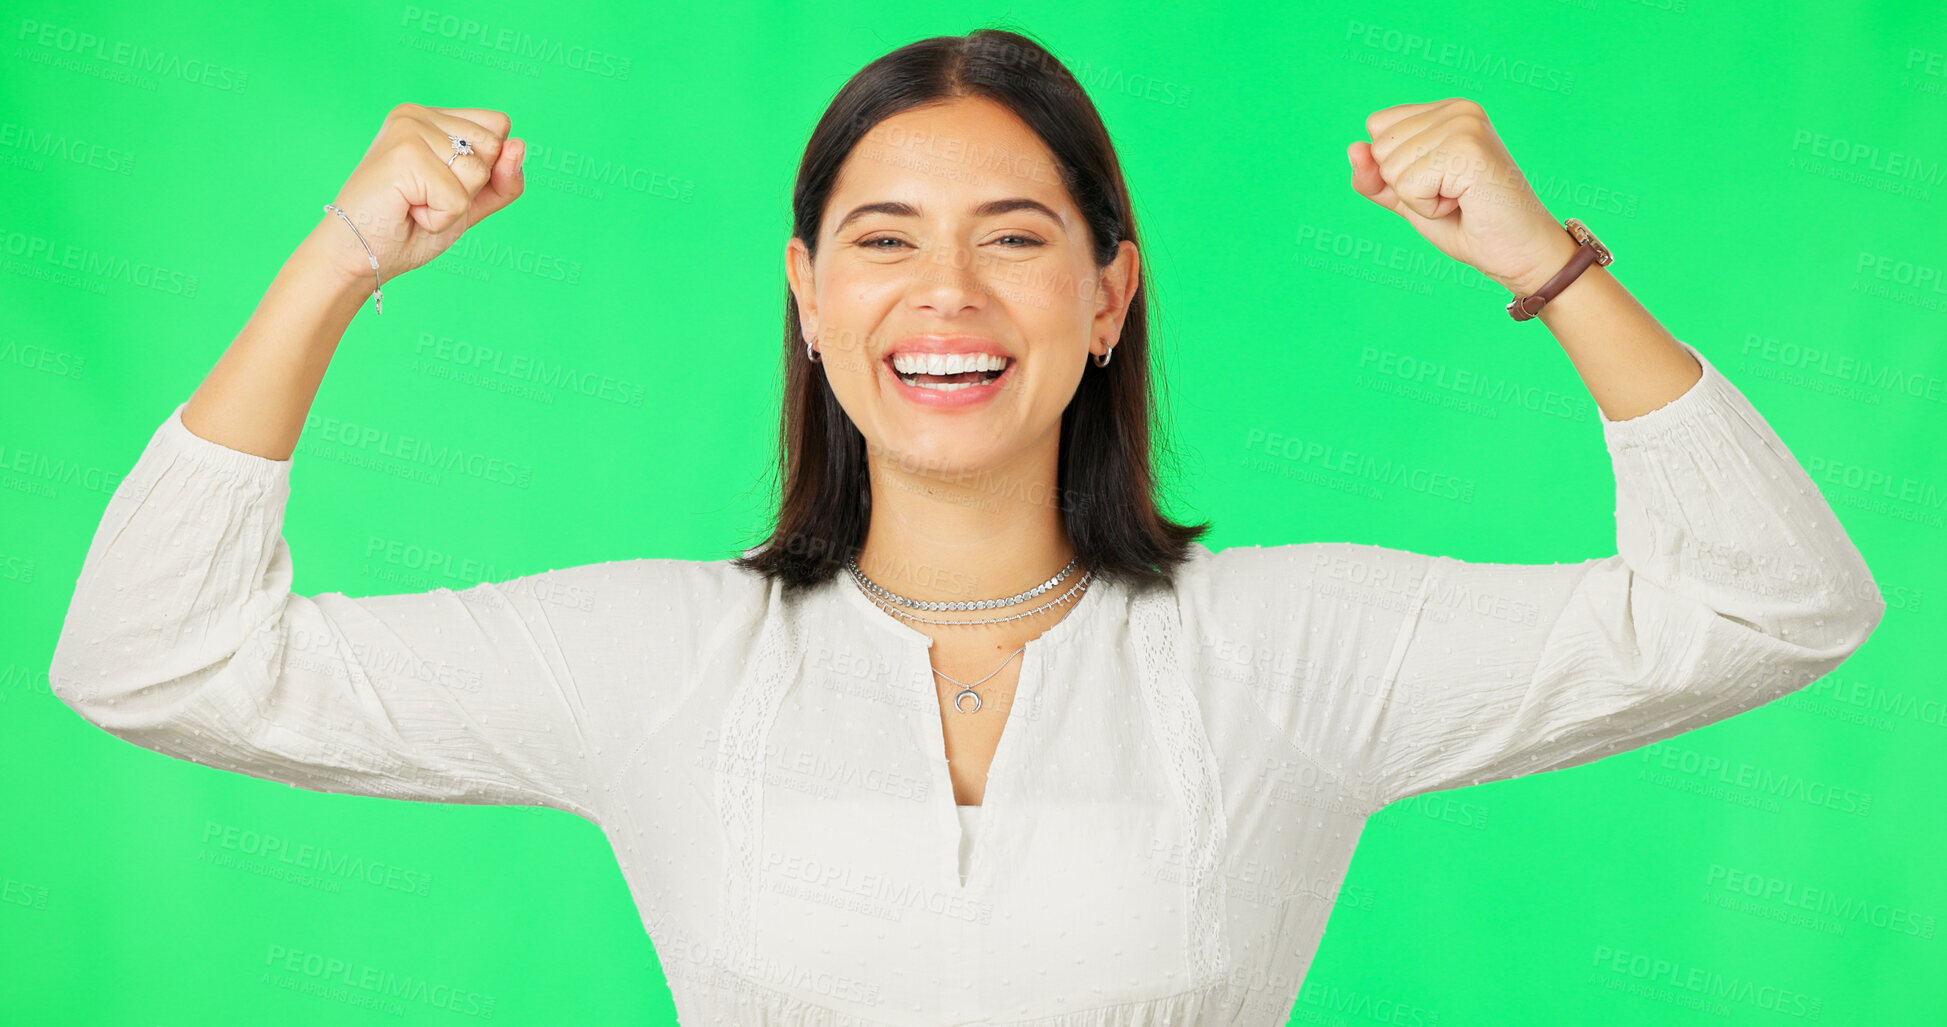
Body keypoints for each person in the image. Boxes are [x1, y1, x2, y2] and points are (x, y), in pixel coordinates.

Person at [49, 27, 1883, 1026]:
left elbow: (1773, 610)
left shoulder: (1291, 648)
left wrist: (1552, 270)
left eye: (1015, 236)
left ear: (1107, 299)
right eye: (882, 238)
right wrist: (340, 263)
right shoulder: (658, 660)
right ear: (808, 302)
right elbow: (158, 658)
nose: (950, 296)